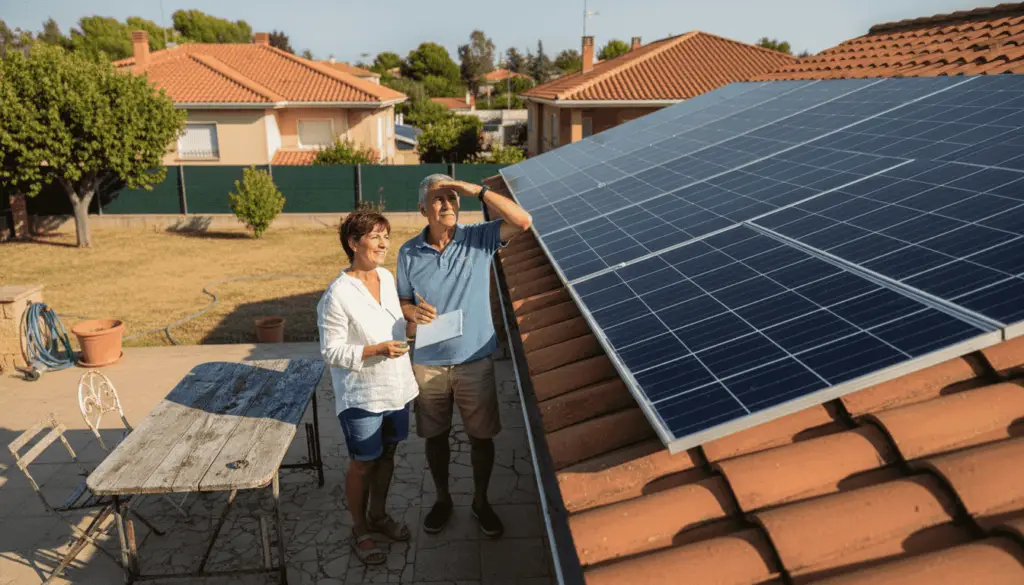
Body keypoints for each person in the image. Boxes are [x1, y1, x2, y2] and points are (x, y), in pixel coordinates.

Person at [397, 174, 532, 538]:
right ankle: (443, 499)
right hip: (428, 362)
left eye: (452, 198)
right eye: (438, 200)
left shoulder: (479, 238)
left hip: (475, 358)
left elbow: (523, 221)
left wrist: (477, 190)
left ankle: (481, 501)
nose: (447, 205)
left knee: (481, 438)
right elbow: (403, 300)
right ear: (422, 209)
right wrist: (412, 315)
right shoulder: (408, 252)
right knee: (435, 437)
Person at [317, 210, 418, 565]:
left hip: (397, 387)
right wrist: (375, 350)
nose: (384, 243)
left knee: (387, 454)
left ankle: (378, 515)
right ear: (353, 243)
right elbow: (330, 351)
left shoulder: (387, 278)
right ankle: (359, 528)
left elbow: (394, 327)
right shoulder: (337, 295)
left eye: (386, 236)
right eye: (375, 237)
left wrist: (413, 323)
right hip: (362, 395)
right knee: (363, 461)